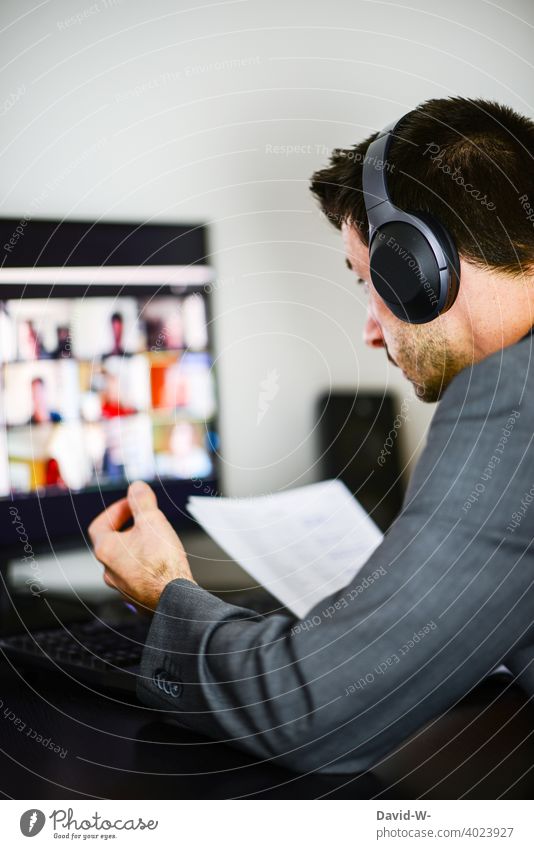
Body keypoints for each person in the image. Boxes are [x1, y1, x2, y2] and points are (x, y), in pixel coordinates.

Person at [88, 97, 534, 775]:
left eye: (368, 282)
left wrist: (166, 587)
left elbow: (317, 712)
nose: (370, 329)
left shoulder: (511, 400)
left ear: (418, 263)